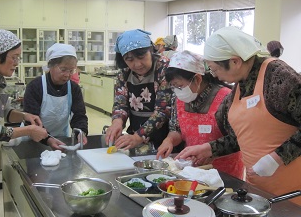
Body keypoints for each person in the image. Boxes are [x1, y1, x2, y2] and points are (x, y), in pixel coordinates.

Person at [175, 26, 301, 205]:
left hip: (291, 190)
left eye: (214, 69)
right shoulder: (239, 84)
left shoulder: (278, 77)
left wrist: (276, 159)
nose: (215, 76)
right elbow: (241, 136)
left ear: (235, 61)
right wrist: (208, 148)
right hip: (258, 187)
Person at [0, 29, 49, 217]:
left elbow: (3, 111)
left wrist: (24, 116)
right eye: (14, 57)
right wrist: (29, 131)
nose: (17, 63)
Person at [156, 50, 244, 179]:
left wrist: (210, 152)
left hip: (224, 173)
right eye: (173, 87)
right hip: (191, 172)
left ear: (197, 78)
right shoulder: (179, 98)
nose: (177, 91)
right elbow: (177, 129)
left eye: (179, 86)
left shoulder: (226, 98)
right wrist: (169, 140)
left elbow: (238, 139)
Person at [105, 29, 179, 151]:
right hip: (137, 137)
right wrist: (117, 121)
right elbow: (120, 103)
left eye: (141, 57)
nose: (137, 64)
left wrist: (139, 136)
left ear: (151, 50)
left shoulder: (164, 68)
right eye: (130, 60)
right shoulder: (124, 73)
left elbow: (163, 111)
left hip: (166, 140)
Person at [23, 43, 88, 150]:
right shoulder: (35, 87)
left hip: (61, 139)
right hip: (33, 140)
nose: (67, 75)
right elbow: (31, 120)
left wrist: (81, 132)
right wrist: (47, 139)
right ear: (51, 66)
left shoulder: (74, 88)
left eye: (71, 70)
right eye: (63, 69)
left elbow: (79, 115)